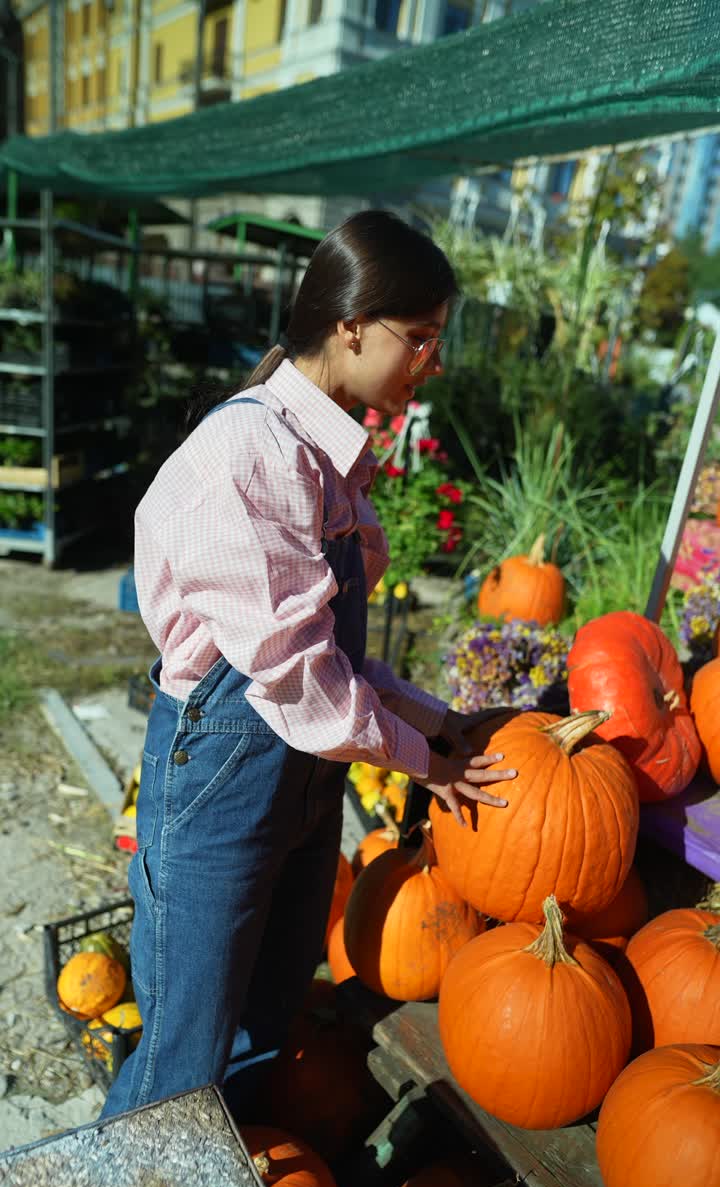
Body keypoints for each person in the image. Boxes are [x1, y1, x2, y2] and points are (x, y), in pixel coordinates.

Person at [100, 210, 517, 1122]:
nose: (432, 362)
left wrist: (436, 718)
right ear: (353, 324)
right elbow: (292, 679)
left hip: (300, 772)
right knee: (184, 1054)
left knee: (263, 1020)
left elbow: (332, 662)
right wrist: (422, 757)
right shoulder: (250, 456)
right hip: (223, 778)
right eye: (422, 339)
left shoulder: (326, 459)